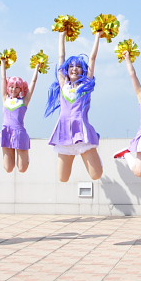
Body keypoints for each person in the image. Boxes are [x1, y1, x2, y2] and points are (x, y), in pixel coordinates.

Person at [45, 30, 103, 182]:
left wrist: (97, 36)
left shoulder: (85, 86)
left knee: (96, 175)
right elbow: (61, 57)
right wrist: (62, 36)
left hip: (81, 131)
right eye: (71, 66)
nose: (74, 68)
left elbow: (92, 58)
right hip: (64, 131)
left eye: (78, 66)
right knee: (63, 178)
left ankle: (97, 156)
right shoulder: (64, 85)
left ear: (83, 70)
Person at [0, 61, 41, 173]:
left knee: (22, 168)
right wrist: (3, 63)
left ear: (21, 89)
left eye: (17, 87)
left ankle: (25, 157)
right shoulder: (5, 98)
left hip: (19, 133)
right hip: (7, 132)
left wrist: (37, 68)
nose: (13, 89)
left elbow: (33, 82)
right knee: (8, 168)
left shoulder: (24, 101)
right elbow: (3, 78)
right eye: (11, 87)